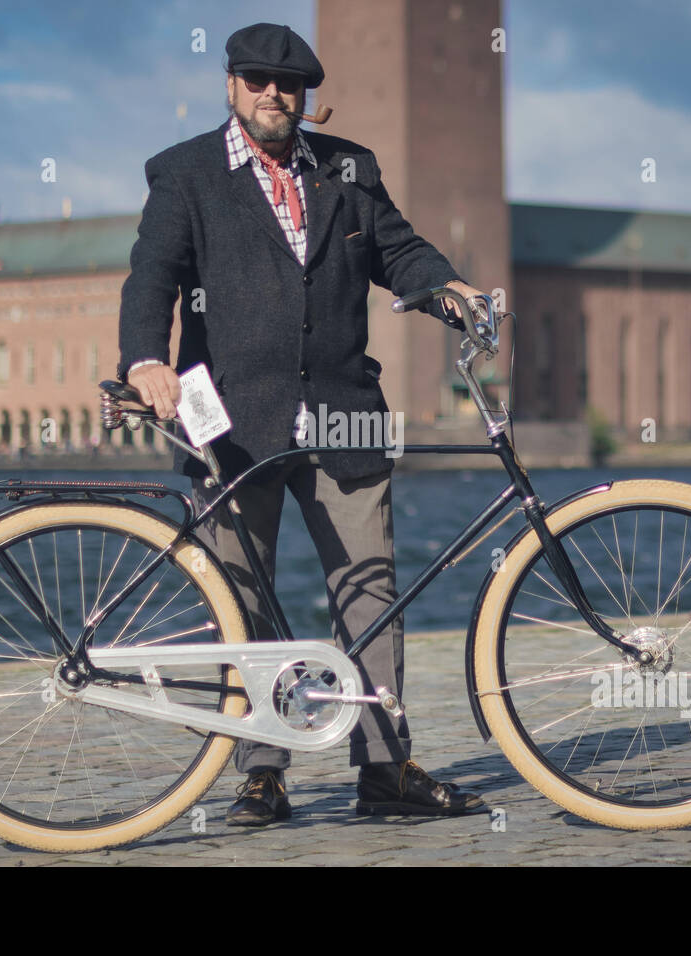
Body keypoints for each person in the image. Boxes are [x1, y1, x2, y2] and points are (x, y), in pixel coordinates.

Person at [117, 22, 488, 826]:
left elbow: (399, 249)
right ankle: (261, 773)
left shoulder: (348, 168)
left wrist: (450, 288)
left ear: (305, 94)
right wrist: (147, 358)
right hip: (231, 424)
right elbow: (152, 277)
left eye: (287, 84)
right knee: (241, 598)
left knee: (371, 593)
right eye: (255, 79)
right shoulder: (185, 175)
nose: (272, 94)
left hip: (344, 414)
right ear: (230, 85)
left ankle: (385, 770)